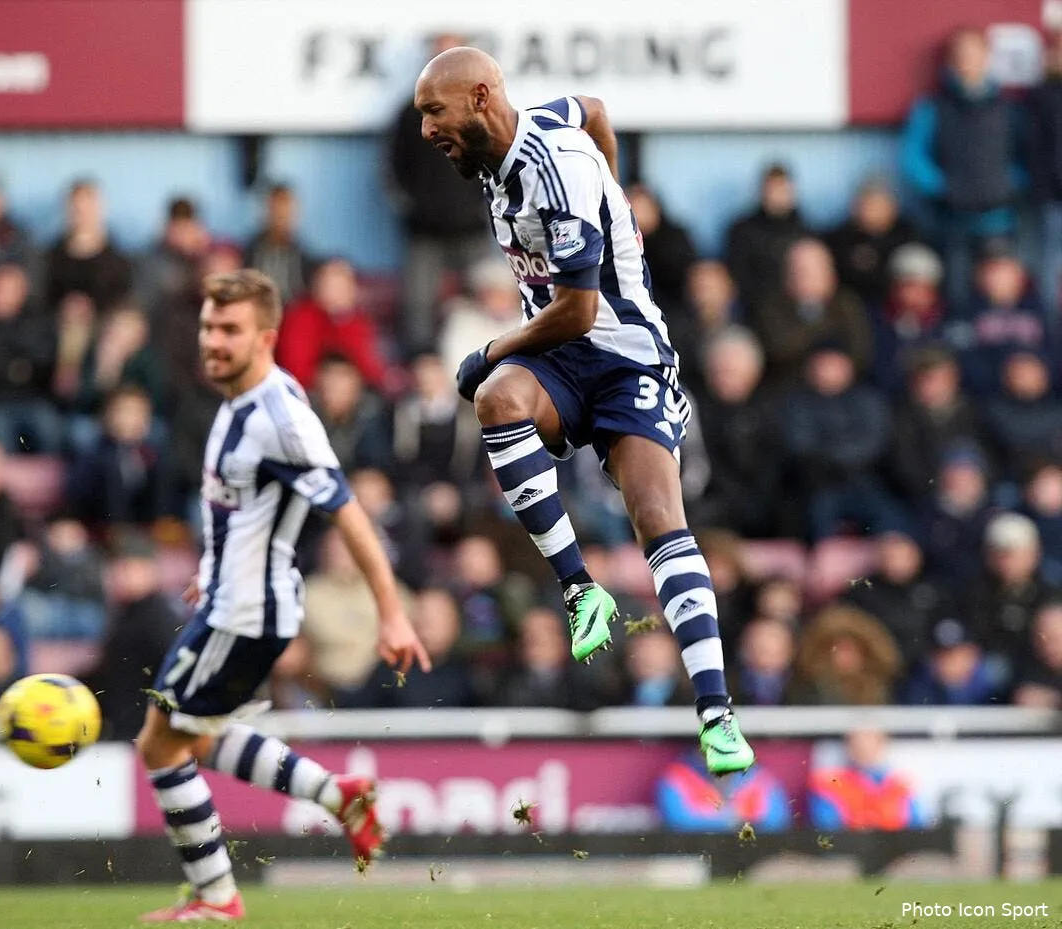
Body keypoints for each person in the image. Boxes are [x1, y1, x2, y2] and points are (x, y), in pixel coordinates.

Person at [413, 47, 754, 776]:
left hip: (625, 356)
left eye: (434, 111)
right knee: (499, 399)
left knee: (658, 521)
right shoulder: (515, 145)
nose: (426, 130)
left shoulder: (555, 169)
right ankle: (580, 591)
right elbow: (595, 108)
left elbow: (578, 308)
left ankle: (717, 714)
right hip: (561, 360)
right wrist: (617, 199)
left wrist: (491, 347)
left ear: (480, 97)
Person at [134, 270, 430, 923]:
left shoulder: (280, 417)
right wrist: (212, 565)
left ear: (266, 337)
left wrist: (391, 612)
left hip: (246, 610)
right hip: (235, 597)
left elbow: (348, 512)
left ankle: (217, 896)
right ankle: (339, 794)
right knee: (196, 736)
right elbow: (243, 508)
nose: (213, 340)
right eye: (209, 326)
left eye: (229, 329)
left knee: (159, 745)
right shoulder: (238, 400)